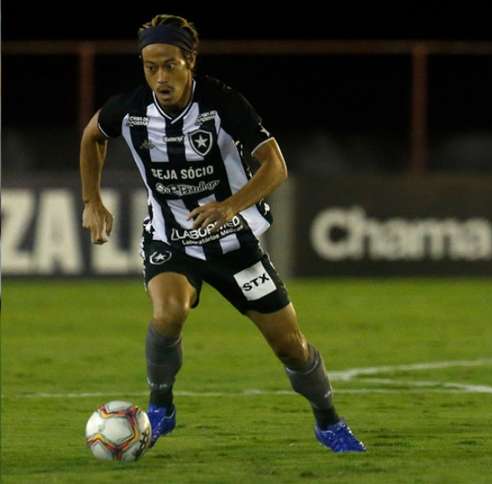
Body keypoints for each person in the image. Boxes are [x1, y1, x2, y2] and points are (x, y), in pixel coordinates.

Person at [79, 14, 365, 453]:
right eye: (150, 67)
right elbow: (92, 136)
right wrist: (92, 201)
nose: (160, 78)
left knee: (289, 344)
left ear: (190, 61)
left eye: (169, 65)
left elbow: (276, 166)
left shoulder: (223, 104)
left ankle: (328, 422)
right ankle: (161, 405)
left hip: (235, 242)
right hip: (171, 237)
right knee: (167, 314)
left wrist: (231, 205)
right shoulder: (131, 109)